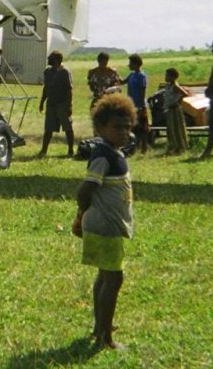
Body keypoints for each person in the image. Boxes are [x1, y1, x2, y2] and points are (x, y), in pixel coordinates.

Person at [71, 93, 136, 351]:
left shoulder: (113, 152)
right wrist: (81, 215)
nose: (125, 133)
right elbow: (84, 191)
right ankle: (105, 338)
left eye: (128, 127)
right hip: (105, 227)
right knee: (113, 278)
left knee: (104, 276)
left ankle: (100, 325)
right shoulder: (102, 157)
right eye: (117, 128)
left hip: (107, 225)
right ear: (100, 129)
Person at [38, 50, 75, 157]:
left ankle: (70, 150)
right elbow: (46, 87)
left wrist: (69, 106)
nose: (48, 59)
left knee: (68, 127)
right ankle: (44, 150)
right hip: (51, 104)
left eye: (50, 58)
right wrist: (42, 101)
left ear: (56, 60)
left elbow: (69, 90)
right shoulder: (48, 71)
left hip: (62, 104)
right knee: (48, 129)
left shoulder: (64, 72)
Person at [123, 54, 148, 153]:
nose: (129, 65)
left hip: (139, 105)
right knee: (131, 126)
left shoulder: (141, 76)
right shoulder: (132, 75)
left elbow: (143, 90)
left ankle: (144, 148)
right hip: (131, 105)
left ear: (136, 64)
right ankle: (132, 147)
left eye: (130, 63)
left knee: (142, 127)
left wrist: (141, 106)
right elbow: (122, 81)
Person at [162, 68, 190, 155]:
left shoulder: (175, 86)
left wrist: (178, 102)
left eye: (167, 76)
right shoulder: (168, 85)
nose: (165, 77)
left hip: (175, 110)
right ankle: (173, 146)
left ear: (173, 77)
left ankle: (180, 147)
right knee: (171, 129)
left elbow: (185, 94)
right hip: (169, 109)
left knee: (177, 128)